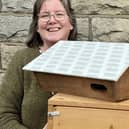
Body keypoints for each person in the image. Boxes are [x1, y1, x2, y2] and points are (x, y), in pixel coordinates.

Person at [0, 0, 77, 129]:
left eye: (59, 14)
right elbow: (4, 116)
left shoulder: (87, 61)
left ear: (71, 23)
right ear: (36, 26)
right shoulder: (22, 60)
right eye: (45, 15)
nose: (52, 20)